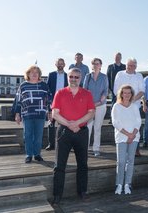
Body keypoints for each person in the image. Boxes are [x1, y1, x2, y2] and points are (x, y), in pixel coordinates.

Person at [51, 68, 96, 206]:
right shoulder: (60, 93)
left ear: (80, 78)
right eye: (71, 76)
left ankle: (82, 191)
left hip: (81, 132)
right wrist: (70, 124)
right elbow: (55, 114)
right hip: (64, 131)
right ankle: (57, 195)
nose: (74, 79)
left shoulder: (87, 94)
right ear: (68, 77)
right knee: (59, 165)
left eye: (76, 77)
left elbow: (92, 112)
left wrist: (77, 123)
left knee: (83, 164)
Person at [14, 65, 51, 163]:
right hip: (27, 114)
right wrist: (17, 114)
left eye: (36, 72)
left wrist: (50, 112)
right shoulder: (23, 85)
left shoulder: (44, 85)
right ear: (28, 74)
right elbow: (18, 100)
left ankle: (37, 154)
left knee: (38, 136)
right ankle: (29, 154)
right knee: (28, 135)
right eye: (32, 72)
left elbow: (49, 99)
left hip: (40, 114)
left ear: (39, 74)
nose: (34, 74)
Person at [111, 85, 142, 195]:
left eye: (129, 93)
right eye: (125, 93)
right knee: (121, 161)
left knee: (130, 161)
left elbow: (138, 121)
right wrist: (128, 134)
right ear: (121, 94)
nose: (127, 95)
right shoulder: (116, 106)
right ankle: (119, 184)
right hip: (121, 137)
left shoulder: (134, 106)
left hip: (134, 137)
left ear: (131, 94)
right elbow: (115, 123)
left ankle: (127, 184)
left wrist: (132, 134)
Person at [113, 57, 145, 156]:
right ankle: (122, 148)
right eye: (128, 65)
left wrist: (131, 100)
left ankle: (135, 149)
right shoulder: (120, 74)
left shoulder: (139, 76)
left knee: (136, 126)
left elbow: (141, 91)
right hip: (121, 106)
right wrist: (125, 101)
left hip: (134, 106)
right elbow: (116, 90)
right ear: (126, 65)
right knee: (122, 125)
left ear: (136, 66)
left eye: (132, 66)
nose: (130, 67)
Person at [83, 58, 108, 156]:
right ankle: (85, 148)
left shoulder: (104, 77)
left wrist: (98, 102)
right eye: (93, 63)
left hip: (100, 106)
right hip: (89, 107)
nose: (95, 65)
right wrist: (90, 104)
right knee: (87, 128)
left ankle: (96, 148)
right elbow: (84, 91)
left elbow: (106, 91)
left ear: (100, 65)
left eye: (97, 64)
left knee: (97, 128)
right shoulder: (87, 76)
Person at [45, 58, 68, 151]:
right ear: (56, 64)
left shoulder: (68, 76)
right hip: (52, 104)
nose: (60, 65)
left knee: (64, 125)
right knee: (51, 124)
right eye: (59, 63)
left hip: (64, 104)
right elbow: (47, 89)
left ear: (64, 65)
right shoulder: (51, 75)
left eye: (62, 64)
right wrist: (48, 104)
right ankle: (51, 144)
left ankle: (63, 144)